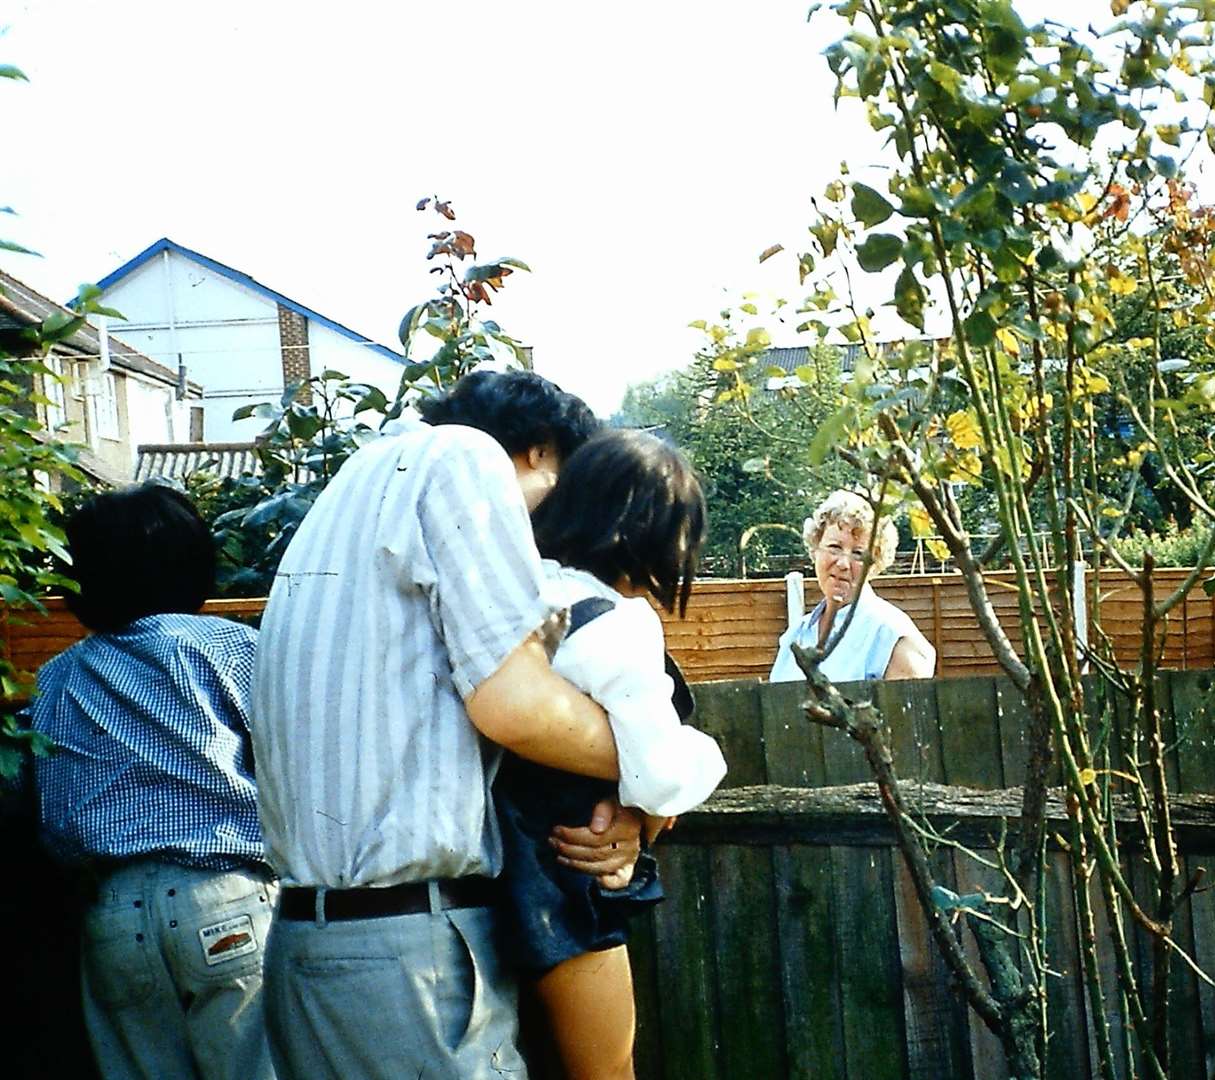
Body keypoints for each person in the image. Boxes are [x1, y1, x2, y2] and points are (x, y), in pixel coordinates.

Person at [251, 370, 644, 1079]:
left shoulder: (356, 486)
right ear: (539, 452)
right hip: (406, 957)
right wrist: (653, 766)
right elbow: (516, 705)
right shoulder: (465, 457)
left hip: (308, 944)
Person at [24, 484, 275, 1080]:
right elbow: (293, 770)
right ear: (193, 563)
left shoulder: (58, 676)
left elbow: (52, 816)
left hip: (112, 915)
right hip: (226, 898)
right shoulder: (229, 646)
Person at [497, 428, 726, 1080]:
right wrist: (705, 756)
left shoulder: (510, 596)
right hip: (565, 879)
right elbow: (657, 778)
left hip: (478, 872)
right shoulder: (620, 622)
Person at [768, 489, 937, 683]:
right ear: (815, 549)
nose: (843, 564)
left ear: (875, 564)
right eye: (834, 547)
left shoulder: (893, 637)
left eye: (858, 554)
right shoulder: (795, 636)